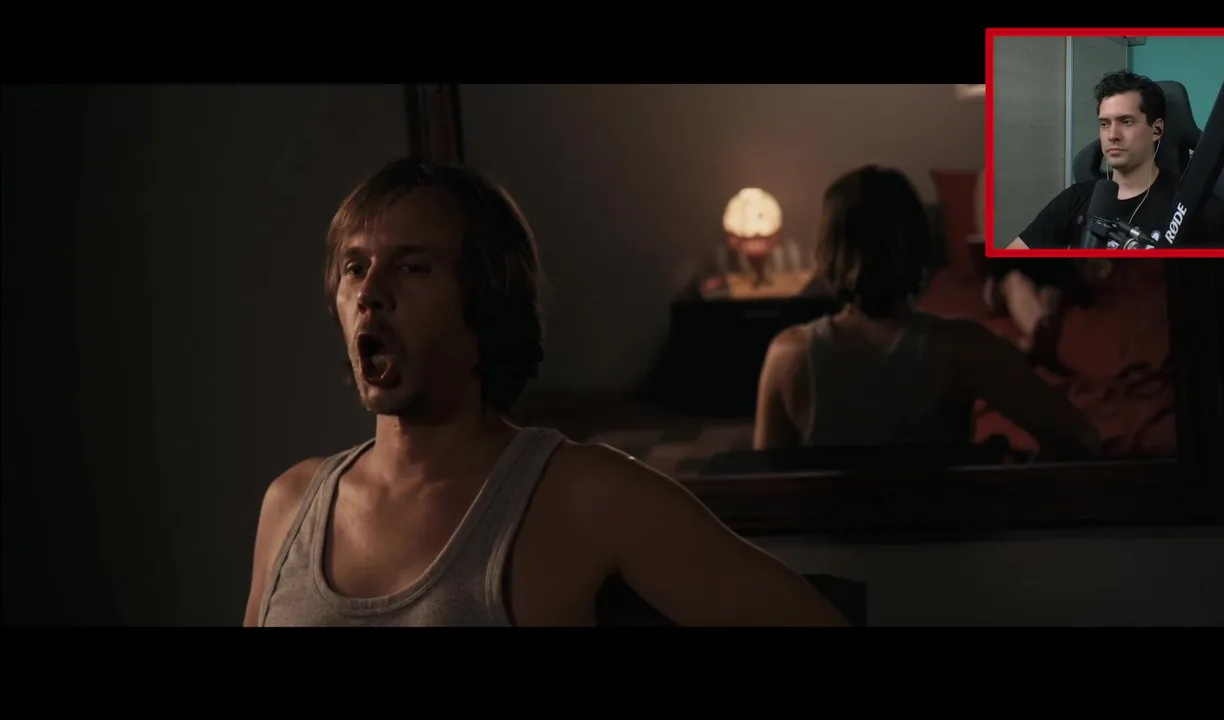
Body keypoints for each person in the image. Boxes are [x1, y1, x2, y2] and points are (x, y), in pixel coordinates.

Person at [243, 159, 848, 627]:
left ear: (486, 302)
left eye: (412, 267)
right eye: (355, 267)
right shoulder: (292, 504)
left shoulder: (585, 494)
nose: (371, 292)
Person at [753, 164, 1102, 459]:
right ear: (920, 244)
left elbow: (764, 489)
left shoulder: (788, 356)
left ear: (827, 252)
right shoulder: (966, 348)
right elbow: (1081, 439)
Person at [1006, 70, 1224, 251]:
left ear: (1156, 130)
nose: (1112, 135)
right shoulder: (1075, 199)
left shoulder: (1189, 205)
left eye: (1126, 121)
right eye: (1105, 124)